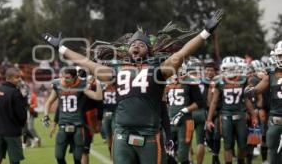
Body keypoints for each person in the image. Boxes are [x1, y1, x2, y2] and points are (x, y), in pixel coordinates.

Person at [42, 9, 223, 163]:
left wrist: (205, 33)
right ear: (127, 49)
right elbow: (86, 62)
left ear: (149, 51)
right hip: (121, 134)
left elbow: (183, 51)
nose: (136, 45)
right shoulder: (116, 71)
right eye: (133, 43)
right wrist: (61, 48)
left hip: (150, 136)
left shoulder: (158, 70)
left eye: (141, 44)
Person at [42, 67, 102, 164]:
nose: (64, 79)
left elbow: (98, 97)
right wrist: (46, 116)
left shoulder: (83, 85)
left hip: (78, 126)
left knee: (78, 159)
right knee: (59, 157)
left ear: (74, 77)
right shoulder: (58, 84)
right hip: (63, 125)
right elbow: (49, 102)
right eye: (63, 77)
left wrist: (98, 82)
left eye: (67, 77)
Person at [206, 56, 258, 164]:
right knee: (227, 145)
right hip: (226, 116)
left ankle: (240, 162)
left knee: (242, 144)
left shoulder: (243, 80)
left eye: (229, 69)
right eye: (225, 69)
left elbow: (247, 100)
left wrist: (253, 115)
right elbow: (214, 102)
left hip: (240, 115)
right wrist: (209, 119)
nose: (227, 71)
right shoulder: (220, 82)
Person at [245, 40, 282, 164]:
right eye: (280, 55)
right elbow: (259, 88)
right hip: (275, 119)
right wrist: (251, 91)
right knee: (273, 152)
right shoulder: (271, 73)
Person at [0, 67, 27, 164]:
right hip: (12, 132)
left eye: (20, 77)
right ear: (9, 78)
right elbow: (22, 115)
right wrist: (24, 98)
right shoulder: (15, 93)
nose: (20, 79)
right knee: (14, 160)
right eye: (17, 77)